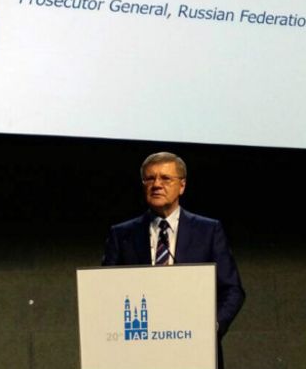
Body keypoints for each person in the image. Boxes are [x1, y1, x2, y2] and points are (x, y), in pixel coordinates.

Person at [102, 152, 245, 369]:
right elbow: (105, 290)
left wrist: (211, 328)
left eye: (165, 178)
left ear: (182, 186)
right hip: (138, 351)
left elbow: (232, 290)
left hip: (194, 351)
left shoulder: (208, 231)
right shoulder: (122, 235)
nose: (156, 185)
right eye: (150, 179)